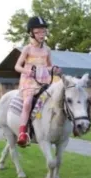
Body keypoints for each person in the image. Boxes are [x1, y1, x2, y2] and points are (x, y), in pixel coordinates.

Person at [14, 16, 60, 147]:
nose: (42, 34)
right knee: (28, 102)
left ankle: (51, 130)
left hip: (43, 81)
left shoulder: (47, 50)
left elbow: (49, 66)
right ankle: (22, 133)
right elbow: (17, 66)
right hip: (28, 81)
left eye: (43, 31)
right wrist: (26, 71)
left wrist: (54, 69)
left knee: (53, 101)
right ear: (31, 33)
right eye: (38, 31)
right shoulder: (27, 49)